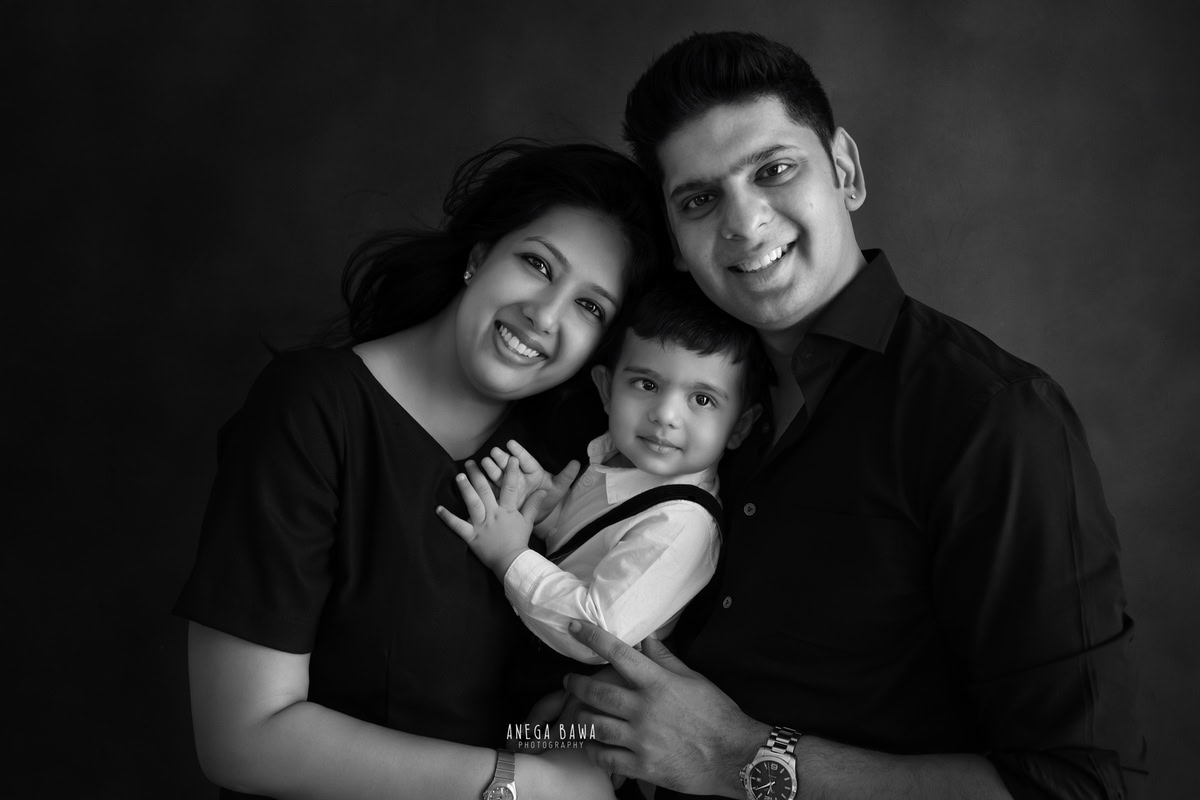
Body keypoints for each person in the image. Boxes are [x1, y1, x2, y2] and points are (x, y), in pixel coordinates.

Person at [558, 32, 1147, 800]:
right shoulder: (680, 404)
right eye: (699, 200)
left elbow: (1079, 787)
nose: (742, 223)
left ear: (845, 171)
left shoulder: (991, 420)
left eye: (774, 171)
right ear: (677, 239)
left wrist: (736, 756)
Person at [174, 140, 670, 799]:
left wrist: (570, 745)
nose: (545, 315)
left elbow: (534, 718)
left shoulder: (572, 461)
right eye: (536, 264)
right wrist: (517, 786)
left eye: (589, 307)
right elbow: (241, 739)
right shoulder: (312, 410)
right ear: (477, 257)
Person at [436, 276, 766, 665]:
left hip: (567, 692)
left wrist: (508, 555)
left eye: (702, 399)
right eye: (646, 383)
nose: (665, 415)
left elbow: (597, 634)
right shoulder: (618, 462)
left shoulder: (682, 523)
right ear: (607, 390)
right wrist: (548, 515)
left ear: (739, 427)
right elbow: (591, 553)